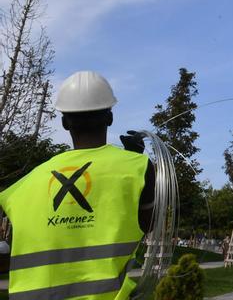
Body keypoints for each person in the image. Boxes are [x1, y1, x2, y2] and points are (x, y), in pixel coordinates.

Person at [0, 71, 155, 300]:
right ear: (110, 118)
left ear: (64, 122)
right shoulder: (138, 168)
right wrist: (133, 159)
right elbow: (149, 224)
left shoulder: (24, 184)